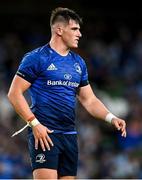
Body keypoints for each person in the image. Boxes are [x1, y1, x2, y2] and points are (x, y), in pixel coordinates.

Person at [7, 7, 127, 179]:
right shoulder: (36, 58)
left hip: (69, 136)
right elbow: (14, 93)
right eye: (75, 29)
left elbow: (90, 100)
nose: (80, 34)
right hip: (45, 134)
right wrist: (34, 124)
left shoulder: (78, 63)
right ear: (59, 30)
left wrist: (111, 117)